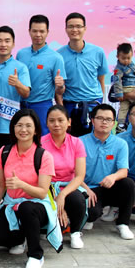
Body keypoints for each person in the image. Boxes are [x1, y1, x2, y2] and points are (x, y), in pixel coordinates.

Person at [0, 109, 62, 268]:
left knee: (27, 208)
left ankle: (36, 255)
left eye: (28, 126)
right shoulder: (4, 152)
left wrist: (21, 184)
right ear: (13, 128)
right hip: (12, 204)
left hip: (37, 206)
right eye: (19, 125)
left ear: (36, 130)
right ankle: (21, 237)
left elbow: (42, 192)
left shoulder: (43, 156)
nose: (23, 130)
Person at [0, 26, 31, 222]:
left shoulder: (20, 67)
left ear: (13, 44)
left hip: (10, 128)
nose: (3, 44)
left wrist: (17, 83)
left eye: (7, 41)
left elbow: (26, 93)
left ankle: (7, 201)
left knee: (8, 166)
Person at [80, 104, 135, 240]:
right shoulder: (80, 142)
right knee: (92, 213)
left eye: (108, 119)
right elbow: (73, 173)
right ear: (92, 120)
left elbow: (123, 171)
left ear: (113, 123)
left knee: (128, 184)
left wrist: (113, 177)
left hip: (109, 186)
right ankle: (90, 217)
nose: (104, 122)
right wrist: (86, 189)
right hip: (87, 188)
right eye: (100, 118)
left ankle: (123, 224)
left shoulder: (120, 144)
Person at [41, 105, 87, 249]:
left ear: (69, 122)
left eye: (60, 120)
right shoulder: (40, 143)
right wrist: (55, 199)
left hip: (69, 185)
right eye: (52, 121)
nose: (56, 124)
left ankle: (75, 233)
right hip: (46, 187)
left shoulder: (76, 143)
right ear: (46, 123)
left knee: (77, 199)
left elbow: (79, 176)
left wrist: (62, 195)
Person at [57, 13, 108, 137]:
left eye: (78, 26)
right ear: (66, 29)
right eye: (71, 26)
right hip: (70, 105)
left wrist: (101, 104)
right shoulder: (58, 55)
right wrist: (62, 111)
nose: (75, 30)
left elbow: (101, 79)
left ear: (85, 28)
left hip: (93, 104)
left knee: (96, 140)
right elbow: (58, 88)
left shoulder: (98, 52)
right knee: (71, 142)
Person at [16, 15, 67, 135]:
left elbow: (60, 91)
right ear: (29, 31)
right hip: (20, 104)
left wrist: (60, 85)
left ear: (47, 32)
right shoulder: (21, 54)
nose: (38, 35)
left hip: (42, 105)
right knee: (22, 137)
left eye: (42, 31)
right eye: (34, 31)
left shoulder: (56, 57)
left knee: (43, 139)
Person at [110, 43, 135, 132]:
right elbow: (117, 82)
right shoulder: (118, 69)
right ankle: (120, 124)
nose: (126, 60)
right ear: (118, 56)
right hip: (126, 89)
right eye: (123, 58)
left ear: (132, 56)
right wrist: (120, 94)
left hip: (134, 88)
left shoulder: (132, 65)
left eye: (128, 58)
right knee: (124, 108)